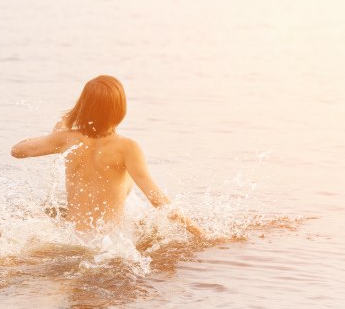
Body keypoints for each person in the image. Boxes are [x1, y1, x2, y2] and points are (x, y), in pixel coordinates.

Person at [11, 75, 204, 238]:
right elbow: (156, 199)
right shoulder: (127, 147)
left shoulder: (66, 139)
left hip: (71, 238)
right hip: (109, 242)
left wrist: (63, 126)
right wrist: (201, 234)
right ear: (120, 109)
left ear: (82, 106)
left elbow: (18, 150)